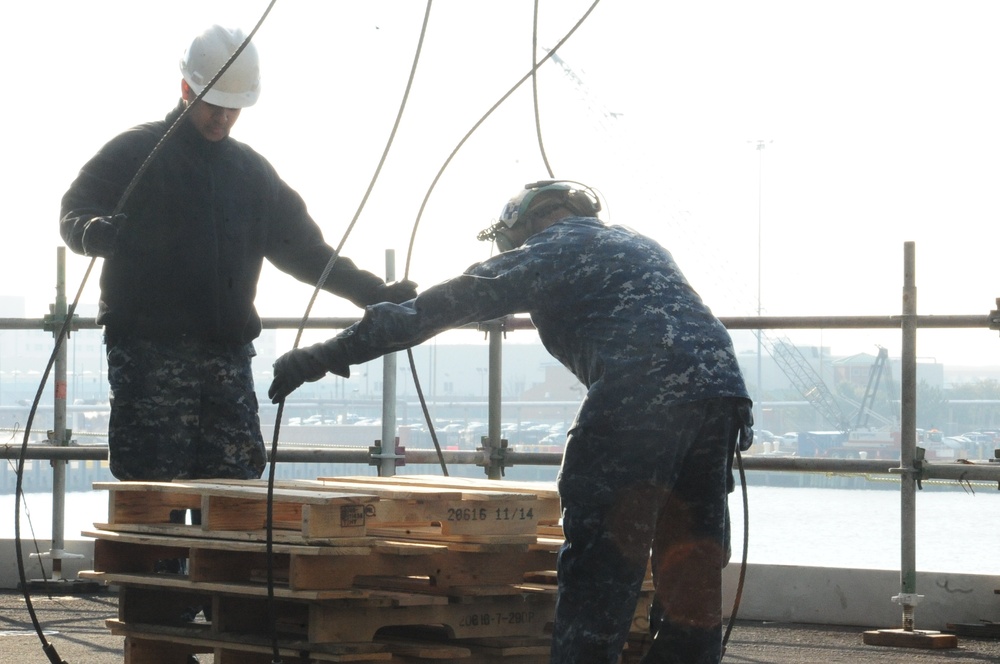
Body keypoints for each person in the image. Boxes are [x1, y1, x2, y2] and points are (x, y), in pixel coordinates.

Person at [268, 180, 753, 663]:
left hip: (638, 396)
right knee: (691, 568)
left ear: (524, 225)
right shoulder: (636, 242)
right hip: (721, 394)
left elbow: (427, 311)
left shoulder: (547, 250)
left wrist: (321, 356)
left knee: (601, 574)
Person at [59, 25, 416, 485]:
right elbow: (75, 208)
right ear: (186, 89)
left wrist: (374, 293)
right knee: (151, 505)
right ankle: (155, 563)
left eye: (234, 109)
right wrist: (92, 233)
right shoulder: (135, 153)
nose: (223, 118)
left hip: (226, 360)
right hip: (149, 359)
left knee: (233, 503)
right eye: (214, 105)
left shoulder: (251, 174)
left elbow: (307, 252)